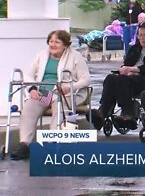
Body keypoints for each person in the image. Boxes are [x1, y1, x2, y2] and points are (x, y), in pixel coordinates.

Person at [11, 30, 91, 160]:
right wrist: (32, 88)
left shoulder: (75, 56)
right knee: (29, 107)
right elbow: (29, 74)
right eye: (51, 41)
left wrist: (69, 87)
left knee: (59, 106)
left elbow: (86, 79)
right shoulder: (42, 55)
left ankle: (53, 141)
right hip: (44, 92)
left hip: (66, 93)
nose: (53, 45)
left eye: (57, 42)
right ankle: (24, 144)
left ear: (65, 44)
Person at [89, 20, 145, 130]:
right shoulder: (135, 49)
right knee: (111, 78)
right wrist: (125, 70)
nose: (142, 38)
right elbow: (126, 64)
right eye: (140, 35)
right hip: (129, 79)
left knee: (122, 81)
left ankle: (128, 112)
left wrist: (133, 69)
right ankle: (103, 112)